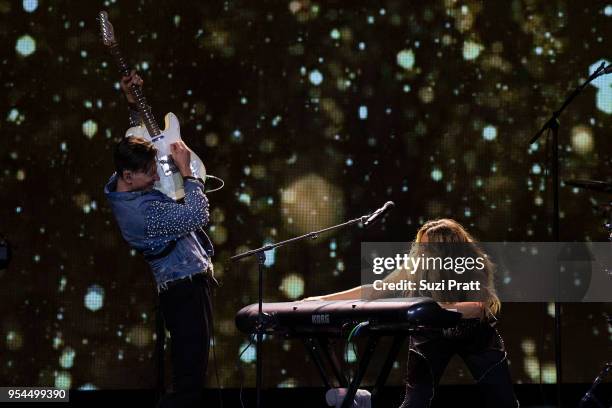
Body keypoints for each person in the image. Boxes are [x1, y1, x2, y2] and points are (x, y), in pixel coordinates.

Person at [305, 219, 518, 408]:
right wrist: (324, 299)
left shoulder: (472, 263)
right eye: (421, 246)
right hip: (432, 336)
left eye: (428, 248)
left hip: (475, 337)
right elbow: (375, 289)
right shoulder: (416, 265)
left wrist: (428, 308)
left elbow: (477, 307)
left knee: (504, 401)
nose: (422, 252)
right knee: (414, 402)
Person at [104, 71, 216, 407]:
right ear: (129, 177)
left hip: (186, 287)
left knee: (189, 372)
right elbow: (198, 215)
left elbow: (141, 146)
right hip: (184, 292)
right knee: (188, 382)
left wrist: (134, 107)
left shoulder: (126, 182)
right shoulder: (143, 212)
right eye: (151, 172)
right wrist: (188, 173)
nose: (157, 176)